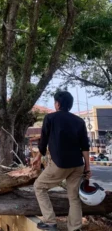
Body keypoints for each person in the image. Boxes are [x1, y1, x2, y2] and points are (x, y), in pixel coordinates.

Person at [32, 91, 91, 231]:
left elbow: (44, 141)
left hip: (60, 163)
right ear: (70, 105)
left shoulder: (50, 118)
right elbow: (85, 147)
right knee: (74, 197)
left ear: (57, 104)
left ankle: (50, 222)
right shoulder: (79, 121)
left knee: (39, 187)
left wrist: (37, 157)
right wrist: (87, 168)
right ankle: (75, 228)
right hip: (78, 165)